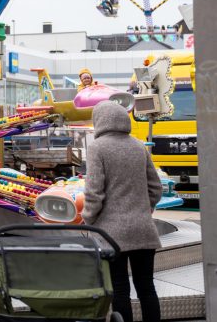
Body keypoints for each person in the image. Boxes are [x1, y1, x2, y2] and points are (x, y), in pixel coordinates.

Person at [82, 102, 162, 322]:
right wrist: (144, 210)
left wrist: (87, 219)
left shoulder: (97, 147)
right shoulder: (138, 146)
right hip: (144, 230)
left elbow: (94, 193)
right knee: (146, 287)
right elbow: (156, 188)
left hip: (111, 234)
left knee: (120, 288)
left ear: (99, 120)